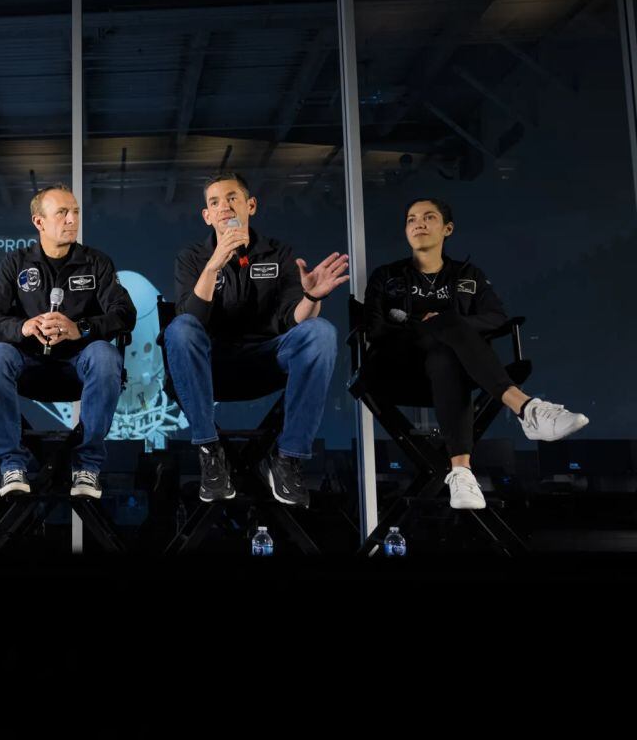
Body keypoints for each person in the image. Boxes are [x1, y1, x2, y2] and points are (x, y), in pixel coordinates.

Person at [365, 197, 588, 510]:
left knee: (446, 354)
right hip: (400, 366)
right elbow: (374, 328)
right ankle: (526, 409)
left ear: (448, 228)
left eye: (429, 217)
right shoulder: (386, 276)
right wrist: (429, 327)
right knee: (448, 329)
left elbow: (496, 317)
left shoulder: (468, 275)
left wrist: (449, 325)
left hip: (454, 368)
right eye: (411, 218)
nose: (419, 223)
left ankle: (461, 472)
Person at [163, 172, 347, 507]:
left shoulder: (280, 253)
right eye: (214, 202)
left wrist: (310, 296)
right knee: (179, 328)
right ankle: (210, 451)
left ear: (250, 205)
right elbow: (192, 319)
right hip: (211, 365)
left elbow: (293, 320)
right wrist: (214, 265)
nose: (224, 207)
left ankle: (288, 458)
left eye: (232, 197)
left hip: (267, 360)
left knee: (322, 331)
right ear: (206, 215)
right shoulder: (191, 258)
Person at [0, 184, 136, 498]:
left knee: (104, 355)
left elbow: (124, 314)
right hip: (28, 367)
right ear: (39, 222)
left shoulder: (96, 262)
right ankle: (11, 464)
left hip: (79, 367)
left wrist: (82, 329)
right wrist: (23, 327)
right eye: (62, 213)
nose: (71, 219)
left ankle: (87, 467)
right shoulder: (16, 263)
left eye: (75, 212)